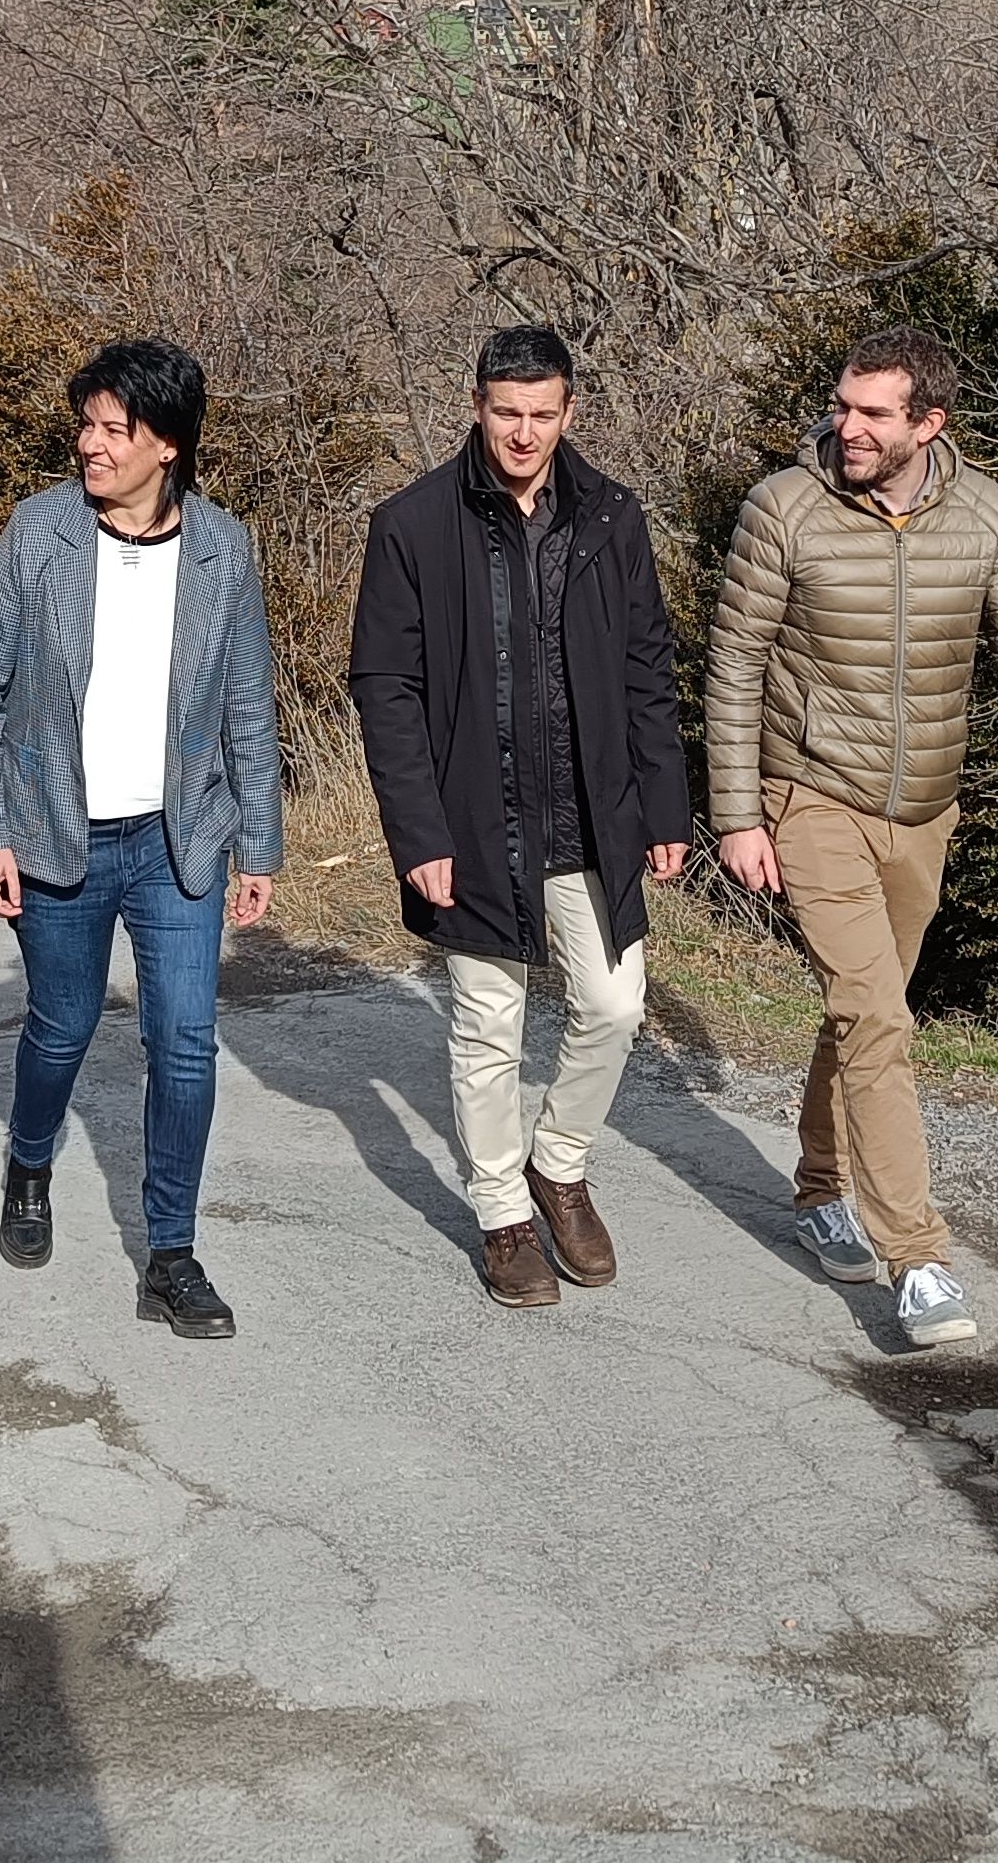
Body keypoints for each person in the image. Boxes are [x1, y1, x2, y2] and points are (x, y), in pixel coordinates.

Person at [705, 322, 998, 1350]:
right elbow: (734, 663)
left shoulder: (985, 512)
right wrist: (737, 811)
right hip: (810, 794)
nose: (846, 426)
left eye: (872, 412)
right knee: (877, 1019)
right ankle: (918, 1260)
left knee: (864, 1012)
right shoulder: (784, 508)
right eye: (842, 405)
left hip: (927, 809)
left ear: (928, 423)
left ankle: (820, 1187)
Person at [347, 326, 692, 1308]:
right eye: (507, 413)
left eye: (543, 415)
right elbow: (386, 689)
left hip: (592, 812)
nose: (524, 433)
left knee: (616, 1003)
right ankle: (502, 1214)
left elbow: (645, 673)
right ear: (477, 405)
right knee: (487, 1024)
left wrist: (664, 805)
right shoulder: (412, 525)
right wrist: (419, 834)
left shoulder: (611, 519)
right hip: (470, 822)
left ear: (568, 411)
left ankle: (559, 1162)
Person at [0, 337, 284, 1340]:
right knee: (62, 1025)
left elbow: (247, 709)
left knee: (184, 1044)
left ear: (166, 446)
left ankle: (171, 1253)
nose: (89, 445)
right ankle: (30, 1155)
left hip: (180, 842)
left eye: (112, 430)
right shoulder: (38, 534)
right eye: (85, 425)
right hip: (58, 836)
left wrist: (257, 845)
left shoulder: (224, 551)